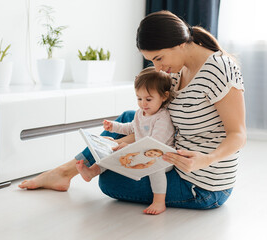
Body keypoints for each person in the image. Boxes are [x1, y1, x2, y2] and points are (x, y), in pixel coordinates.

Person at [19, 10, 246, 212]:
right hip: (172, 157)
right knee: (132, 116)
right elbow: (160, 122)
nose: (158, 68)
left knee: (109, 182)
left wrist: (205, 159)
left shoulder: (220, 70)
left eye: (158, 58)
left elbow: (238, 134)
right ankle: (66, 171)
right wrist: (127, 144)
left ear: (179, 43)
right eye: (151, 61)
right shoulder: (177, 71)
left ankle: (67, 172)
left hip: (203, 185)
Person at [76, 67, 175, 215]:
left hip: (161, 156)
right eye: (139, 98)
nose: (143, 103)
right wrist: (114, 127)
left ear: (164, 96)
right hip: (141, 151)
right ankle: (93, 171)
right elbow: (131, 128)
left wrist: (128, 147)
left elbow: (155, 143)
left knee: (157, 171)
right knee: (113, 155)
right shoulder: (141, 113)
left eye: (148, 99)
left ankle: (159, 201)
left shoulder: (163, 117)